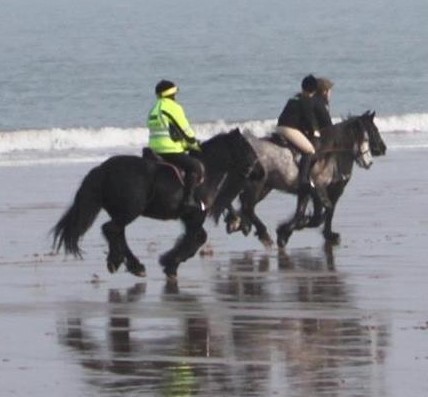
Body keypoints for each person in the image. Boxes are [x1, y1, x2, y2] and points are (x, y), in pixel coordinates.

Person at [146, 80, 205, 211]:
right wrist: (194, 145)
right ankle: (188, 200)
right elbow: (185, 131)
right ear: (172, 94)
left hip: (154, 149)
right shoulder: (173, 107)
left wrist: (183, 144)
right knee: (194, 166)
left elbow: (169, 132)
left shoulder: (154, 109)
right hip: (169, 150)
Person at [276, 74, 320, 193]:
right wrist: (315, 133)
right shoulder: (307, 101)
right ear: (314, 90)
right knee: (310, 150)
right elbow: (309, 121)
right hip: (289, 130)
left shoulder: (293, 99)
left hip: (279, 128)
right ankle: (303, 181)